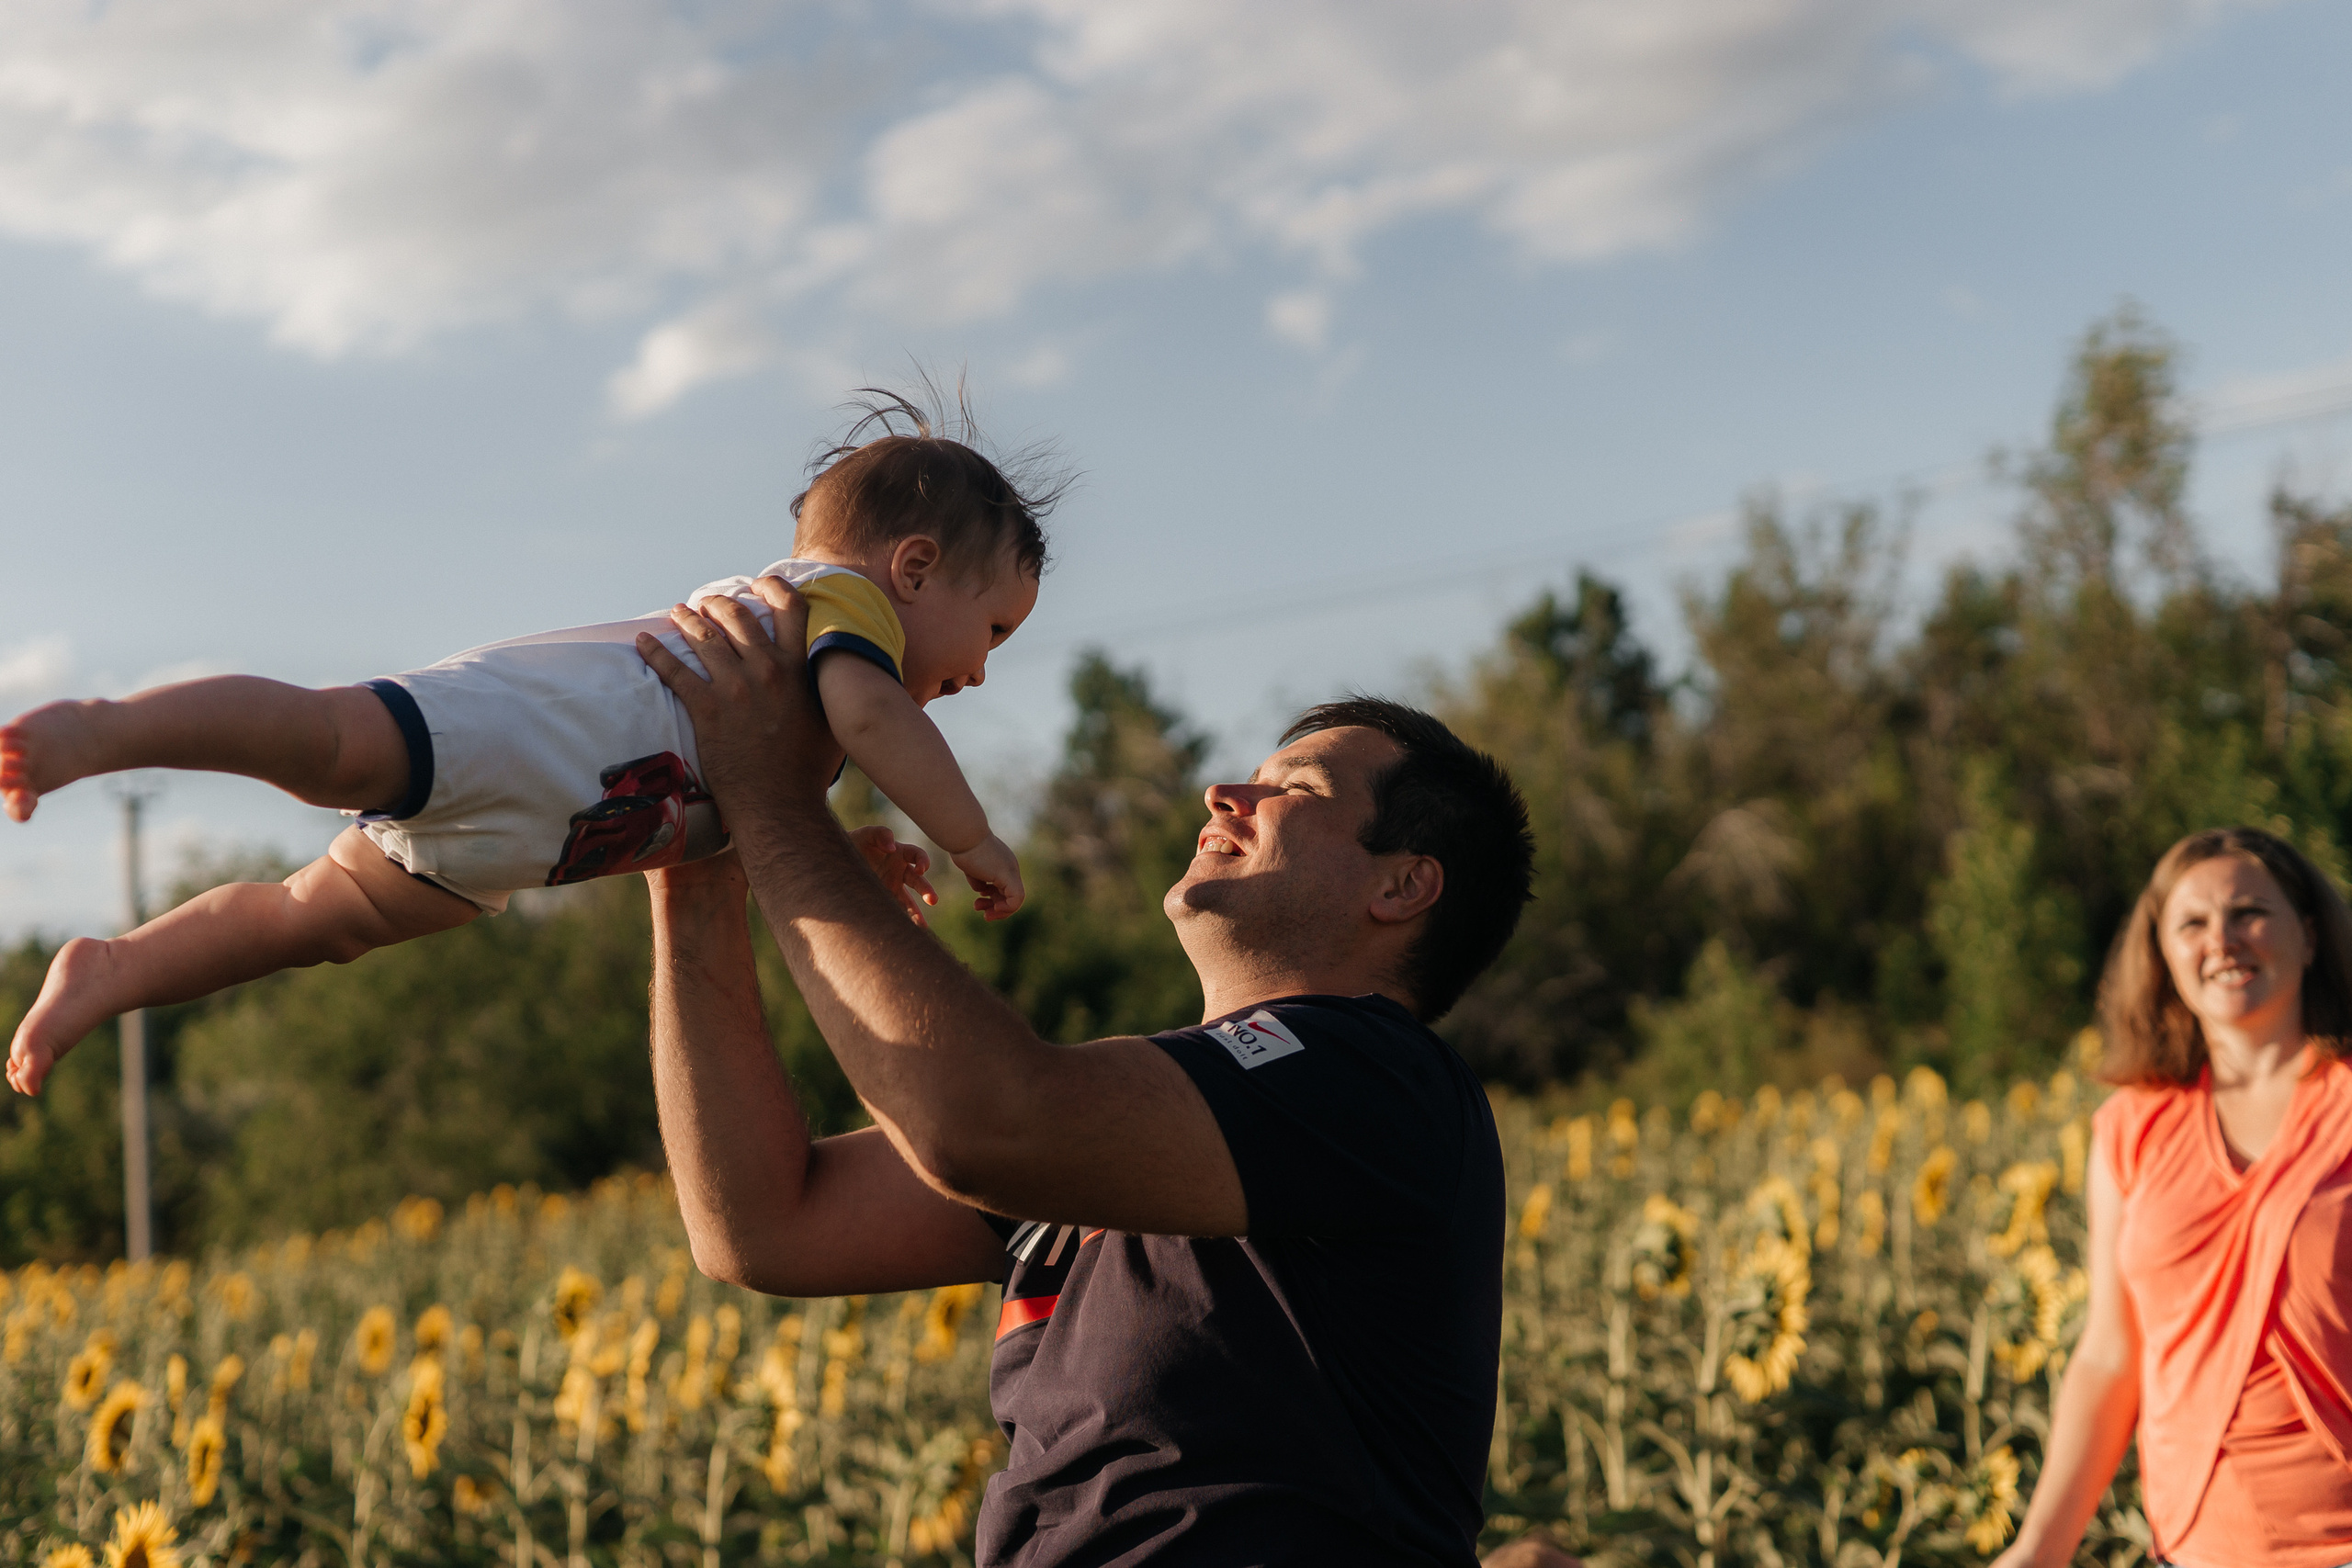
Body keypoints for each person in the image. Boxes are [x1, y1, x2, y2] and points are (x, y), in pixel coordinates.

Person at [636, 578, 1536, 1566]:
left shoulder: (1375, 1077)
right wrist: (698, 879)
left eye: (1295, 791)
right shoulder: (1147, 1123)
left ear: (1402, 885)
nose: (1225, 794)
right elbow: (765, 1223)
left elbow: (980, 1120)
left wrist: (770, 795)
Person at [2, 399, 1051, 1096]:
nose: (984, 670)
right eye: (994, 628)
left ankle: (115, 967)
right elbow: (881, 723)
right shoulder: (843, 605)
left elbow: (754, 807)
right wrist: (972, 838)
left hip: (525, 843)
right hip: (519, 734)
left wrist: (845, 855)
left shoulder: (814, 698)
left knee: (307, 921)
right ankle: (109, 730)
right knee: (322, 737)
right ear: (912, 568)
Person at [1995, 828, 2352, 1568]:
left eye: (2250, 911)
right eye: (2191, 922)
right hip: (2192, 1551)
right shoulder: (2132, 1126)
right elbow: (2109, 1356)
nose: (2222, 938)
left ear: (2309, 935)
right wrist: (2038, 1549)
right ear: (2162, 955)